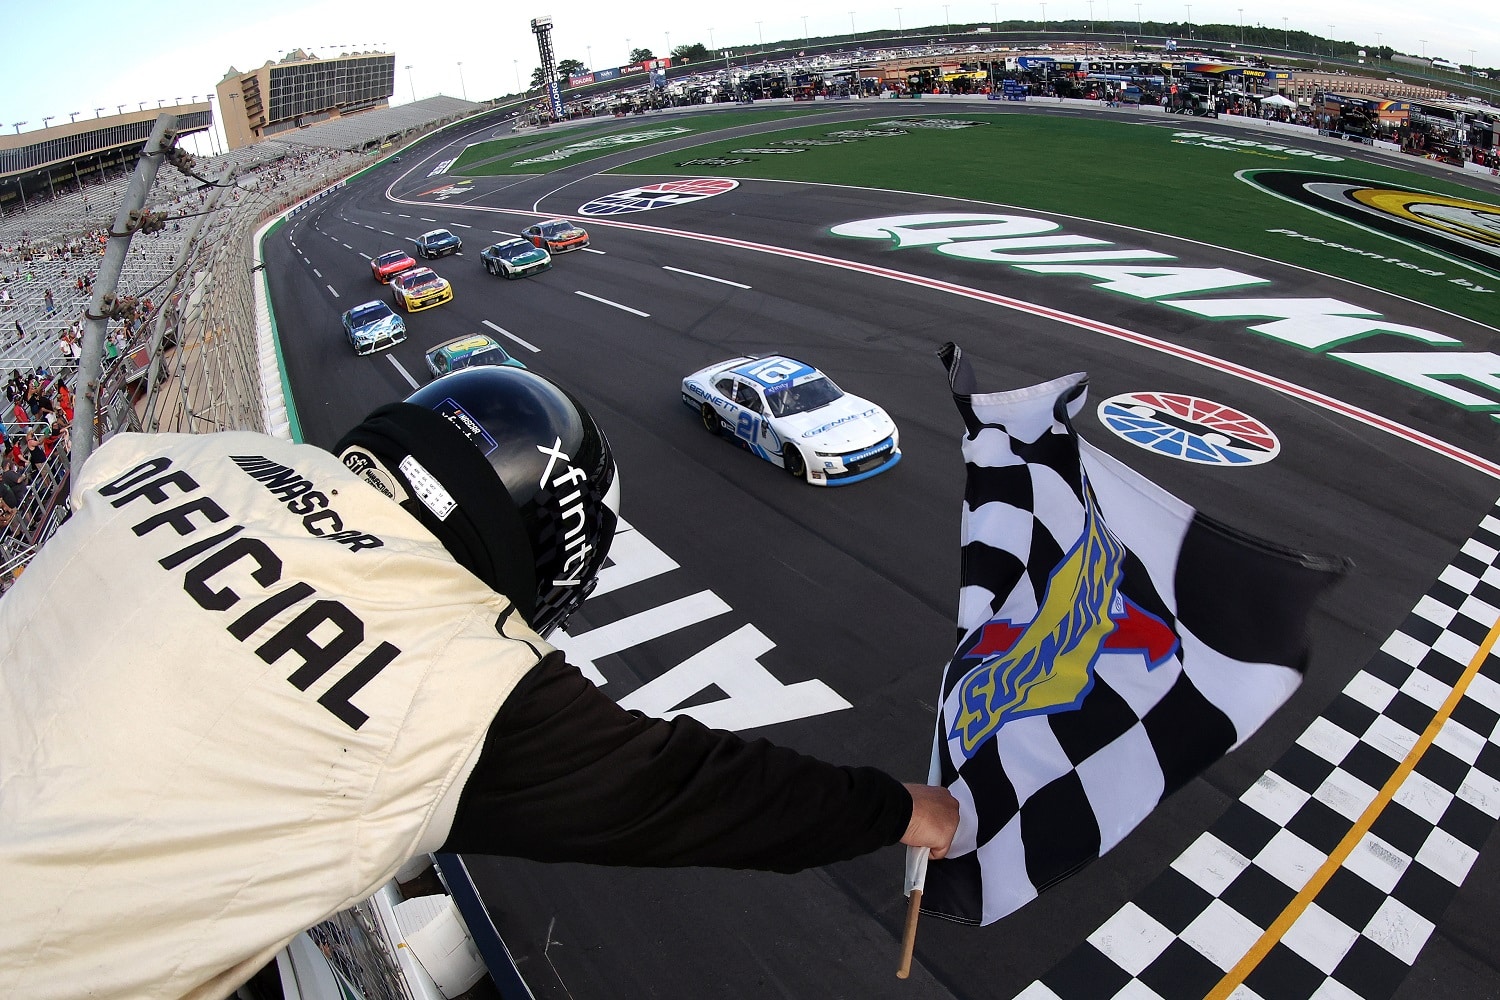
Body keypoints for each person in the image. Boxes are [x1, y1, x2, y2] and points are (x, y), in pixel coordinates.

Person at [0, 365, 958, 999]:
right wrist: (901, 810)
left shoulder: (172, 459)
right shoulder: (457, 686)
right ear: (548, 550)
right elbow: (689, 791)